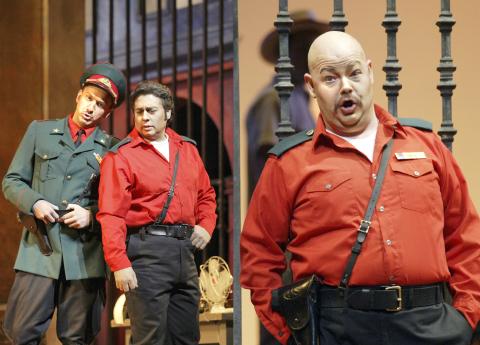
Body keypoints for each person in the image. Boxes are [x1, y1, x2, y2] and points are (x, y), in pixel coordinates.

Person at [241, 31, 480, 345]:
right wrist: (292, 335)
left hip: (431, 325)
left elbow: (465, 236)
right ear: (311, 86)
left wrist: (466, 316)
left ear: (370, 71)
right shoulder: (289, 163)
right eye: (330, 78)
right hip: (339, 330)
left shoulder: (427, 146)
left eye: (354, 73)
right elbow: (258, 256)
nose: (346, 87)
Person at [2, 63, 127, 345]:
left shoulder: (113, 149)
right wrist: (34, 202)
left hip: (85, 258)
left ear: (107, 113)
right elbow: (11, 181)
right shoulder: (40, 132)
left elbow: (120, 205)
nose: (91, 108)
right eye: (89, 99)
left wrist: (91, 216)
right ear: (78, 95)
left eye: (100, 105)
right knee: (22, 333)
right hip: (40, 252)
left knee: (77, 338)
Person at [97, 80, 217, 345]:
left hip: (184, 252)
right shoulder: (122, 156)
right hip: (146, 252)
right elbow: (111, 214)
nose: (144, 117)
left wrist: (206, 226)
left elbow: (206, 195)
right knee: (150, 338)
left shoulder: (187, 149)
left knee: (187, 336)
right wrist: (119, 263)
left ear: (168, 113)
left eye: (151, 111)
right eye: (139, 112)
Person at [247, 10, 329, 195]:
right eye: (303, 48)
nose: (310, 57)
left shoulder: (300, 97)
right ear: (285, 53)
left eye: (314, 49)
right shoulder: (272, 99)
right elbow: (271, 158)